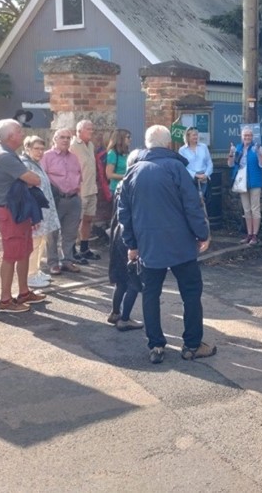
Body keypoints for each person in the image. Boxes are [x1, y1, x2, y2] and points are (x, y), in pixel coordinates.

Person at [118, 125, 216, 364]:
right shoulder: (177, 168)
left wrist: (131, 243)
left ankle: (156, 345)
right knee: (191, 293)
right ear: (168, 144)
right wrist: (202, 234)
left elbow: (124, 213)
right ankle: (192, 345)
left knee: (151, 294)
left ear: (146, 143)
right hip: (180, 244)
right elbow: (192, 205)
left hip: (149, 245)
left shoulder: (132, 172)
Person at [0, 119, 47, 313]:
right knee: (11, 255)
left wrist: (28, 181)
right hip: (10, 211)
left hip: (18, 209)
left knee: (24, 251)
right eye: (19, 131)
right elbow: (34, 179)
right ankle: (4, 300)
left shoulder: (6, 152)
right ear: (10, 136)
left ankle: (23, 292)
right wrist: (30, 180)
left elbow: (29, 180)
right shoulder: (4, 155)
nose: (23, 134)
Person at [107, 148, 144, 331]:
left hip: (117, 233)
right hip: (129, 234)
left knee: (121, 277)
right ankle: (125, 318)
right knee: (134, 281)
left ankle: (115, 312)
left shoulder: (122, 182)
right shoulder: (135, 184)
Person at [41, 128, 84, 275]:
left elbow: (79, 176)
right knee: (52, 232)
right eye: (62, 137)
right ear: (55, 139)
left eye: (68, 138)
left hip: (73, 199)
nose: (65, 140)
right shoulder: (46, 157)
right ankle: (53, 263)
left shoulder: (74, 157)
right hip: (55, 200)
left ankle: (67, 261)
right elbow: (42, 179)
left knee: (70, 232)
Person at [21, 135, 60, 288]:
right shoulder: (26, 165)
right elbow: (27, 192)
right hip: (36, 212)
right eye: (36, 149)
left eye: (42, 149)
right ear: (27, 148)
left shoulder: (36, 163)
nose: (40, 152)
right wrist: (32, 215)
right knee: (34, 243)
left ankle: (36, 270)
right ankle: (30, 275)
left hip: (44, 211)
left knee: (42, 241)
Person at [227, 126, 262, 245]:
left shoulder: (257, 147)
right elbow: (230, 164)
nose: (247, 138)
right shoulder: (238, 148)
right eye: (245, 135)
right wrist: (231, 153)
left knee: (255, 208)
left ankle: (255, 235)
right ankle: (249, 234)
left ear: (252, 137)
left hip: (254, 181)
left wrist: (260, 153)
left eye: (249, 135)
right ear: (241, 136)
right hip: (241, 181)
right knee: (246, 209)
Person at [70, 119, 101, 261]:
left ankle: (84, 248)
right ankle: (71, 250)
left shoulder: (91, 145)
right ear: (80, 130)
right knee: (76, 220)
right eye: (89, 129)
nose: (92, 131)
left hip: (91, 188)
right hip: (80, 189)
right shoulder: (73, 145)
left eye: (92, 128)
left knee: (88, 219)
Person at [179, 126, 214, 203]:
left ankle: (203, 215)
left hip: (204, 179)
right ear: (188, 136)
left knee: (203, 203)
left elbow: (209, 163)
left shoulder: (203, 147)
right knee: (193, 202)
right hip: (191, 179)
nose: (196, 137)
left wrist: (206, 174)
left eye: (197, 135)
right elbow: (183, 167)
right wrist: (195, 175)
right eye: (193, 135)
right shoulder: (182, 150)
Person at [105, 129, 132, 195]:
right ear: (121, 138)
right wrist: (126, 176)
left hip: (127, 188)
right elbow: (109, 174)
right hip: (117, 189)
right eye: (128, 137)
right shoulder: (112, 153)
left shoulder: (127, 152)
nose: (130, 139)